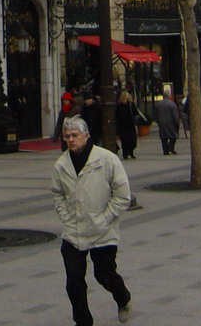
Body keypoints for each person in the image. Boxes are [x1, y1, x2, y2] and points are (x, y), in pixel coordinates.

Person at [51, 115, 132, 326]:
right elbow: (58, 194)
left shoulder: (106, 159)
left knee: (104, 275)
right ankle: (83, 321)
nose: (70, 139)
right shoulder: (61, 165)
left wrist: (106, 218)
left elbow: (122, 195)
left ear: (86, 136)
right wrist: (65, 216)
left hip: (102, 231)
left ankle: (122, 297)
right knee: (74, 282)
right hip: (73, 232)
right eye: (67, 136)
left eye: (75, 135)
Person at [154, 89, 180, 155]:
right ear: (169, 95)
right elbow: (175, 115)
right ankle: (171, 147)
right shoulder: (172, 104)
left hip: (161, 122)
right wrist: (177, 122)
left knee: (163, 137)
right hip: (171, 122)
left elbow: (156, 114)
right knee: (173, 136)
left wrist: (157, 121)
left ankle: (165, 151)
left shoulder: (158, 104)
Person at [115, 91, 138, 160]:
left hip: (123, 126)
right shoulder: (130, 105)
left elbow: (116, 116)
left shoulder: (119, 106)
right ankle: (130, 152)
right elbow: (135, 113)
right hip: (129, 125)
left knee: (124, 141)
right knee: (131, 140)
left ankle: (126, 153)